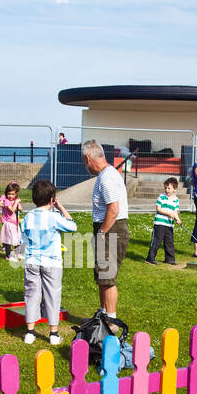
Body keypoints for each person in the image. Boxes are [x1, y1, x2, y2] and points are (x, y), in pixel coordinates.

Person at [21, 179, 75, 345]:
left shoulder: (28, 217)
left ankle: (30, 332)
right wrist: (61, 208)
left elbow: (21, 237)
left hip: (31, 261)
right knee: (52, 295)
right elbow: (72, 226)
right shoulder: (54, 217)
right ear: (52, 200)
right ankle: (53, 334)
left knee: (31, 294)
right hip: (52, 262)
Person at [83, 139, 129, 332]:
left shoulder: (107, 177)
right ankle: (103, 313)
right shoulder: (106, 175)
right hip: (108, 229)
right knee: (102, 275)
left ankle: (111, 321)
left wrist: (102, 232)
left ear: (88, 158)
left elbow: (114, 208)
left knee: (108, 277)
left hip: (111, 229)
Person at [145, 177, 183, 265]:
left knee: (169, 242)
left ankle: (170, 259)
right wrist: (168, 214)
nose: (167, 190)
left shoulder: (176, 200)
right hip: (160, 223)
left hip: (169, 225)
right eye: (165, 188)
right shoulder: (161, 197)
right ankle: (150, 258)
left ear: (175, 189)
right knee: (156, 241)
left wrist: (178, 219)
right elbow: (158, 209)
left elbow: (175, 212)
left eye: (169, 188)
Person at [0, 182, 23, 259]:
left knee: (17, 238)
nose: (10, 196)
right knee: (8, 240)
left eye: (13, 194)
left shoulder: (15, 201)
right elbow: (12, 210)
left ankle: (17, 253)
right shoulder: (6, 201)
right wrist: (16, 203)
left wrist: (19, 206)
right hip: (9, 224)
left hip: (15, 223)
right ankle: (8, 256)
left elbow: (20, 209)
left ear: (16, 194)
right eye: (9, 194)